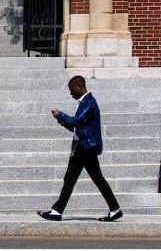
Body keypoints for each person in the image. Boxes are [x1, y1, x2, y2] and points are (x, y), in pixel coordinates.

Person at [37, 75, 123, 222]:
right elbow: (78, 127)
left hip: (85, 148)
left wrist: (61, 115)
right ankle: (114, 209)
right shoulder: (84, 102)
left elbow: (77, 121)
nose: (71, 93)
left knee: (73, 179)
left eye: (72, 90)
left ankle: (57, 211)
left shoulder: (89, 102)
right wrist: (61, 120)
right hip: (84, 146)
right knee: (90, 179)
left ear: (79, 87)